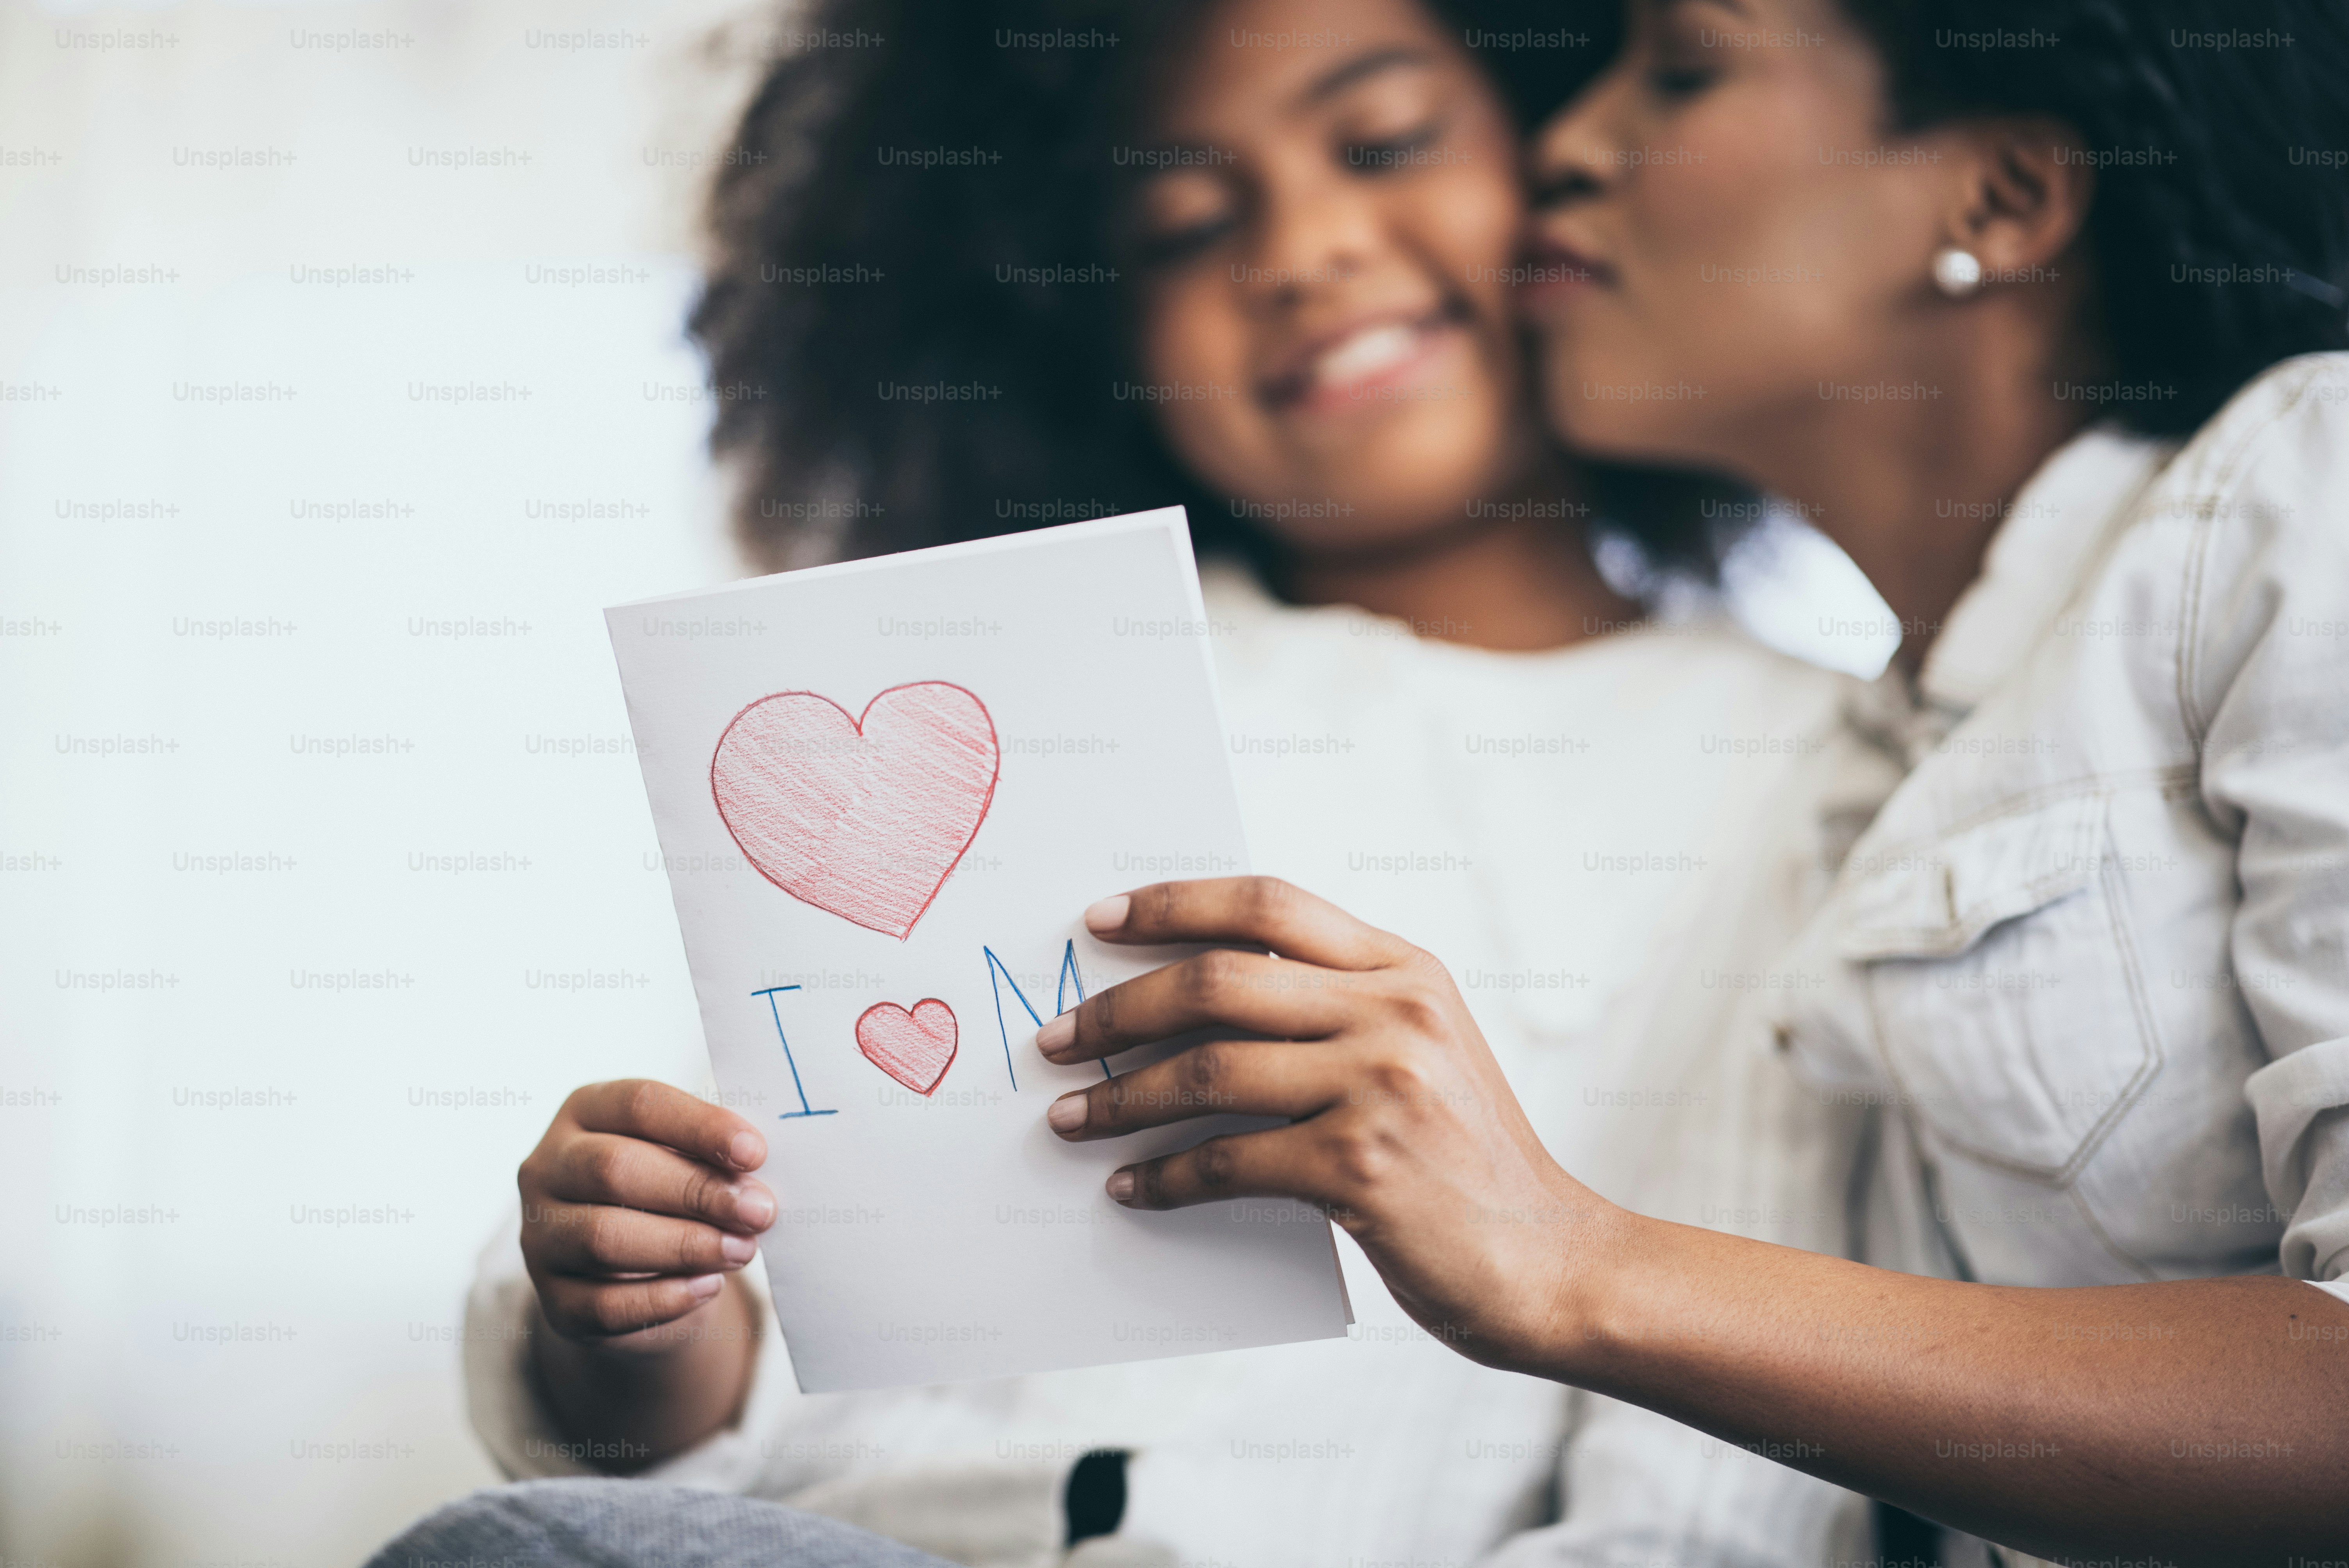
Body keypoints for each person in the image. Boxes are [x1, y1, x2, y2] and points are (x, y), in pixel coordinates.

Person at [413, 0, 1890, 1564]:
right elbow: (718, 1400)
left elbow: (1711, 1490)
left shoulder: (1803, 778)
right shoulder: (988, 698)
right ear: (1086, 326)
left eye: (1385, 141)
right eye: (1185, 226)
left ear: (1582, 156)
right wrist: (637, 1313)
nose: (1302, 249)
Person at [1025, 1, 2349, 1563]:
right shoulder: (1872, 767)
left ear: (1993, 201)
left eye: (1680, 71)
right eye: (1180, 226)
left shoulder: (2298, 485)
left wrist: (1569, 1259)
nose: (1566, 143)